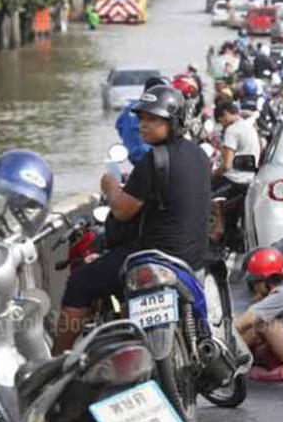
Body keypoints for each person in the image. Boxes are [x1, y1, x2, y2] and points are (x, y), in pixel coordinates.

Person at [53, 85, 211, 355]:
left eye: (153, 120)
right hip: (193, 258)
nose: (143, 126)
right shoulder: (199, 155)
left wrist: (110, 186)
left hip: (153, 257)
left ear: (173, 122)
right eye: (142, 119)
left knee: (80, 283)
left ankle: (55, 362)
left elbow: (122, 211)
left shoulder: (153, 161)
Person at [210, 101, 261, 240]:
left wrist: (213, 174)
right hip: (251, 177)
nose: (222, 125)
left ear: (225, 114)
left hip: (236, 179)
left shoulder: (232, 131)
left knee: (210, 189)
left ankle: (218, 228)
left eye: (221, 121)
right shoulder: (249, 127)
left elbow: (226, 165)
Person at [115, 76, 167, 165]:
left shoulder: (129, 107)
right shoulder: (155, 109)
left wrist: (129, 140)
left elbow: (119, 126)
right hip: (149, 158)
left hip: (132, 156)